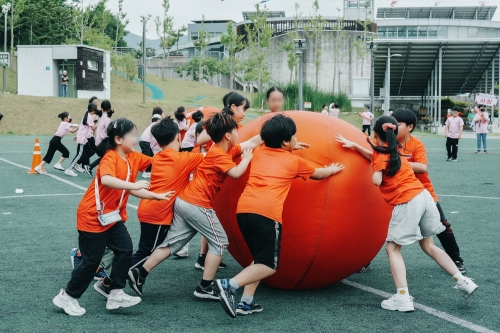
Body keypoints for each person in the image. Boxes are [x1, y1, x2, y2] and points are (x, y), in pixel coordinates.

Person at [214, 115, 344, 318]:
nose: (296, 139)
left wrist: (291, 145)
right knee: (268, 266)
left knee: (258, 259)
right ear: (285, 141)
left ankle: (246, 303)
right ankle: (229, 285)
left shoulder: (259, 151)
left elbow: (274, 151)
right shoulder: (293, 161)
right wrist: (332, 169)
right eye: (294, 137)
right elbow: (318, 174)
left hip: (244, 211)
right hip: (266, 214)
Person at [127, 112, 263, 300]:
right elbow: (237, 173)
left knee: (174, 243)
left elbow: (252, 142)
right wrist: (247, 160)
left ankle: (140, 272)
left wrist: (272, 133)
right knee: (220, 242)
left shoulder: (225, 150)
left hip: (185, 201)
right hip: (197, 203)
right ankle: (204, 287)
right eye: (236, 130)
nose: (240, 133)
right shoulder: (218, 155)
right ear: (228, 136)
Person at [52, 118, 174, 316]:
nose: (136, 139)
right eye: (132, 135)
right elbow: (108, 180)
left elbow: (156, 163)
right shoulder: (109, 158)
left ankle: (115, 293)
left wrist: (155, 195)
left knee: (125, 249)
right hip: (93, 216)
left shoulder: (133, 157)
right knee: (92, 261)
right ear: (118, 139)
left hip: (111, 217)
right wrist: (136, 185)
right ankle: (67, 296)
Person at [336, 108, 468, 274]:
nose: (393, 127)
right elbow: (376, 156)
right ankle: (365, 259)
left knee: (442, 225)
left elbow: (422, 167)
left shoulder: (416, 144)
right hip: (395, 193)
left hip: (421, 191)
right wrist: (356, 145)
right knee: (378, 224)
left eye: (397, 125)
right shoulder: (384, 143)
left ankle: (456, 259)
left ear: (410, 127)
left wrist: (395, 163)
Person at [368, 116, 477, 312]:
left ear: (375, 133)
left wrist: (373, 167)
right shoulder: (397, 149)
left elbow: (376, 180)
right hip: (423, 197)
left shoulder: (378, 154)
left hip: (407, 200)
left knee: (393, 249)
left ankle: (402, 298)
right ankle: (463, 281)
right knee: (429, 245)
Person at [126, 117, 206, 282]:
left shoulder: (158, 157)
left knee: (146, 250)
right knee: (147, 252)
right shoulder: (184, 159)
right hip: (158, 214)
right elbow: (214, 156)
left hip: (148, 208)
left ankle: (112, 279)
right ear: (179, 137)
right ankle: (110, 282)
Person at [65, 103, 97, 177]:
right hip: (82, 137)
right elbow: (93, 127)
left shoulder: (87, 114)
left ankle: (77, 165)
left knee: (88, 152)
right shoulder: (89, 116)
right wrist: (99, 124)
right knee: (79, 154)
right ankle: (69, 169)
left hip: (83, 137)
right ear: (93, 110)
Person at [88, 100, 114, 174]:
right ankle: (91, 166)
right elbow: (109, 131)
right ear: (109, 107)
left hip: (98, 141)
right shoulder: (107, 119)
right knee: (109, 156)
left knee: (106, 157)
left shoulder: (101, 116)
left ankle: (91, 166)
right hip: (103, 143)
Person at [139, 109, 163, 178]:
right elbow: (154, 138)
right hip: (145, 142)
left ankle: (148, 171)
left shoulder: (152, 125)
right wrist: (153, 148)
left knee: (151, 157)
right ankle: (146, 172)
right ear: (158, 120)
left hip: (144, 141)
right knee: (148, 157)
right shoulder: (155, 125)